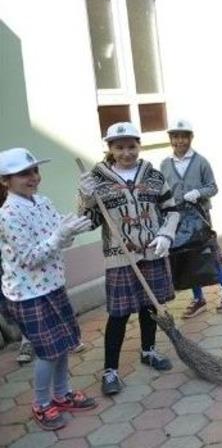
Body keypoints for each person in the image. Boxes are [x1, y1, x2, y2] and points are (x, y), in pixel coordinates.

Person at [78, 122, 180, 396]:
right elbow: (89, 221)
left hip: (152, 252)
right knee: (119, 315)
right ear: (109, 149)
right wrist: (84, 199)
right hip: (120, 258)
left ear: (139, 145)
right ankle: (110, 370)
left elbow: (172, 210)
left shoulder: (154, 176)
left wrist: (166, 235)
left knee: (150, 306)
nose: (126, 152)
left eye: (131, 146)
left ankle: (148, 351)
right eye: (119, 147)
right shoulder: (98, 182)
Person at [0, 148, 97, 430]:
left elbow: (61, 234)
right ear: (6, 180)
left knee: (63, 344)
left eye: (34, 171)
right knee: (47, 351)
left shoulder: (41, 202)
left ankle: (62, 393)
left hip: (52, 286)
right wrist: (59, 236)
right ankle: (42, 404)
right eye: (23, 173)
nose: (33, 177)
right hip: (28, 295)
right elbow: (31, 257)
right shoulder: (7, 214)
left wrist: (84, 199)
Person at [159, 119, 222, 318]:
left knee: (208, 254)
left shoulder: (201, 161)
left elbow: (213, 187)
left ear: (190, 138)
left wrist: (198, 192)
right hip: (177, 218)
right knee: (187, 256)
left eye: (184, 136)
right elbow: (162, 191)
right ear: (171, 139)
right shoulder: (165, 164)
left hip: (199, 217)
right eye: (176, 137)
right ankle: (198, 299)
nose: (180, 141)